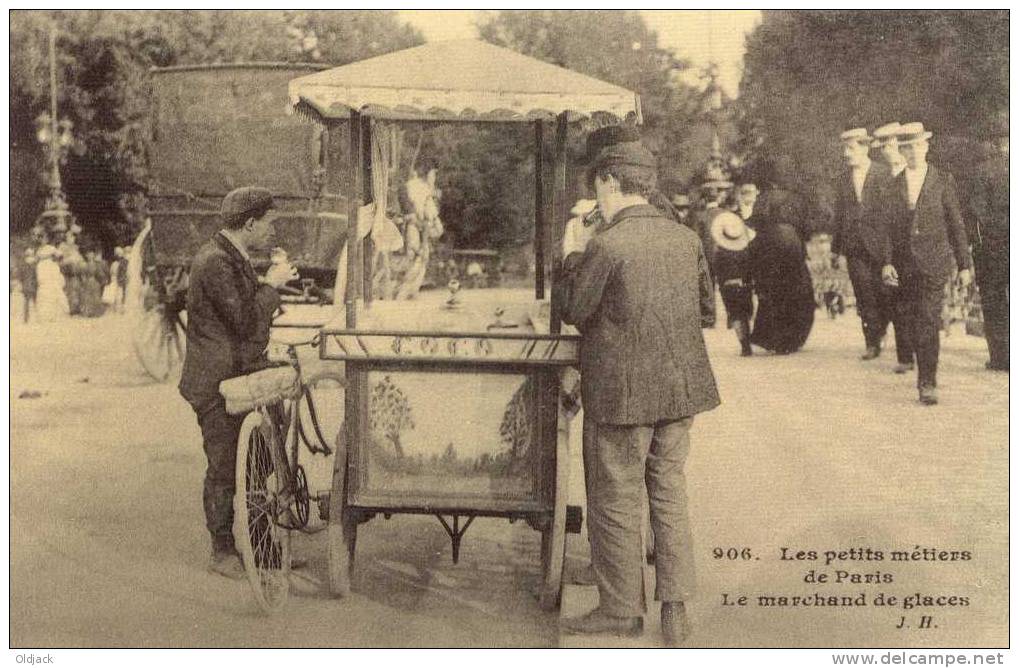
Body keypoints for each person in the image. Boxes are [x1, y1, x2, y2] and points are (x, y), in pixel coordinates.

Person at [558, 139, 720, 645]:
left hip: (623, 395)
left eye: (598, 188)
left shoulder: (607, 245)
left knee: (616, 497)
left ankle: (622, 609)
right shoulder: (686, 238)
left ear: (609, 182)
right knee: (668, 494)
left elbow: (575, 310)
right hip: (680, 393)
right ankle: (675, 611)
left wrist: (570, 252)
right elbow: (706, 310)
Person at [178, 187, 297, 578]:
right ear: (249, 224)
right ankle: (222, 551)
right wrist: (272, 285)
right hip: (216, 382)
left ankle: (264, 552)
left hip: (236, 375)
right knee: (225, 465)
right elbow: (245, 321)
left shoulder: (229, 255)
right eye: (269, 224)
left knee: (257, 463)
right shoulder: (215, 261)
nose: (273, 232)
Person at [880, 123, 973, 405]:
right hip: (906, 265)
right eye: (907, 147)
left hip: (935, 262)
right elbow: (887, 229)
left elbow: (956, 223)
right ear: (902, 150)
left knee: (928, 319)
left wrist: (964, 264)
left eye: (917, 145)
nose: (913, 152)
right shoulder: (893, 186)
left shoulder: (942, 180)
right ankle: (922, 373)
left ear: (926, 147)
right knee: (910, 320)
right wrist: (886, 263)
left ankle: (927, 382)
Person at [831, 128, 898, 361]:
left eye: (851, 148)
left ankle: (881, 330)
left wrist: (890, 250)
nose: (846, 153)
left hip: (880, 246)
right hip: (854, 247)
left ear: (865, 147)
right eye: (845, 148)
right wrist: (835, 250)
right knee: (863, 294)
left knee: (883, 292)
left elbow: (890, 214)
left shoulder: (883, 174)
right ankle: (871, 342)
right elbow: (839, 216)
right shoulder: (842, 179)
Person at [747, 157, 816, 354]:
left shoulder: (764, 198)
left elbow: (755, 224)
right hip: (793, 247)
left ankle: (773, 339)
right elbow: (807, 228)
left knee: (772, 291)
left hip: (769, 249)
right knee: (797, 291)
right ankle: (793, 339)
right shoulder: (797, 199)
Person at [966, 130, 1008, 371]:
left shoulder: (984, 170)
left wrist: (983, 241)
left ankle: (1001, 357)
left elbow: (977, 212)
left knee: (993, 302)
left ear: (994, 143)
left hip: (992, 248)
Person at [711, 211, 756, 356]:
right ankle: (747, 339)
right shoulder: (744, 250)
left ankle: (744, 344)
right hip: (744, 285)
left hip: (728, 287)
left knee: (735, 315)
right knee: (745, 313)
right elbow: (750, 268)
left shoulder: (719, 252)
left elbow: (716, 270)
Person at [34, 244, 70, 322]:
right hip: (50, 285)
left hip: (47, 285)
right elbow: (56, 277)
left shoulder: (41, 265)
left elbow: (40, 278)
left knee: (47, 299)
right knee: (51, 298)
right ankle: (50, 316)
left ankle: (46, 316)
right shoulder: (51, 265)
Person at [17, 248, 38, 323]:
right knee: (34, 301)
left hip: (27, 286)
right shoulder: (34, 265)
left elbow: (20, 277)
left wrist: (21, 284)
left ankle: (26, 318)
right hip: (32, 286)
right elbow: (36, 275)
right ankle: (34, 317)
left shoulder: (24, 265)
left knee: (27, 302)